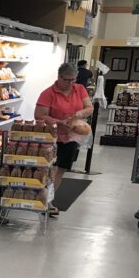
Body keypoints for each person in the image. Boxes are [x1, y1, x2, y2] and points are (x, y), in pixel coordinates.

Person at [35, 62, 94, 216]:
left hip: (71, 136)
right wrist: (59, 121)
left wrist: (80, 114)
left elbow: (89, 108)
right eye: (67, 80)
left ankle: (48, 200)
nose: (70, 83)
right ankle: (45, 200)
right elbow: (39, 116)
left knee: (61, 169)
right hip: (52, 136)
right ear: (59, 77)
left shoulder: (79, 89)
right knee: (51, 169)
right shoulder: (48, 93)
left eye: (73, 80)